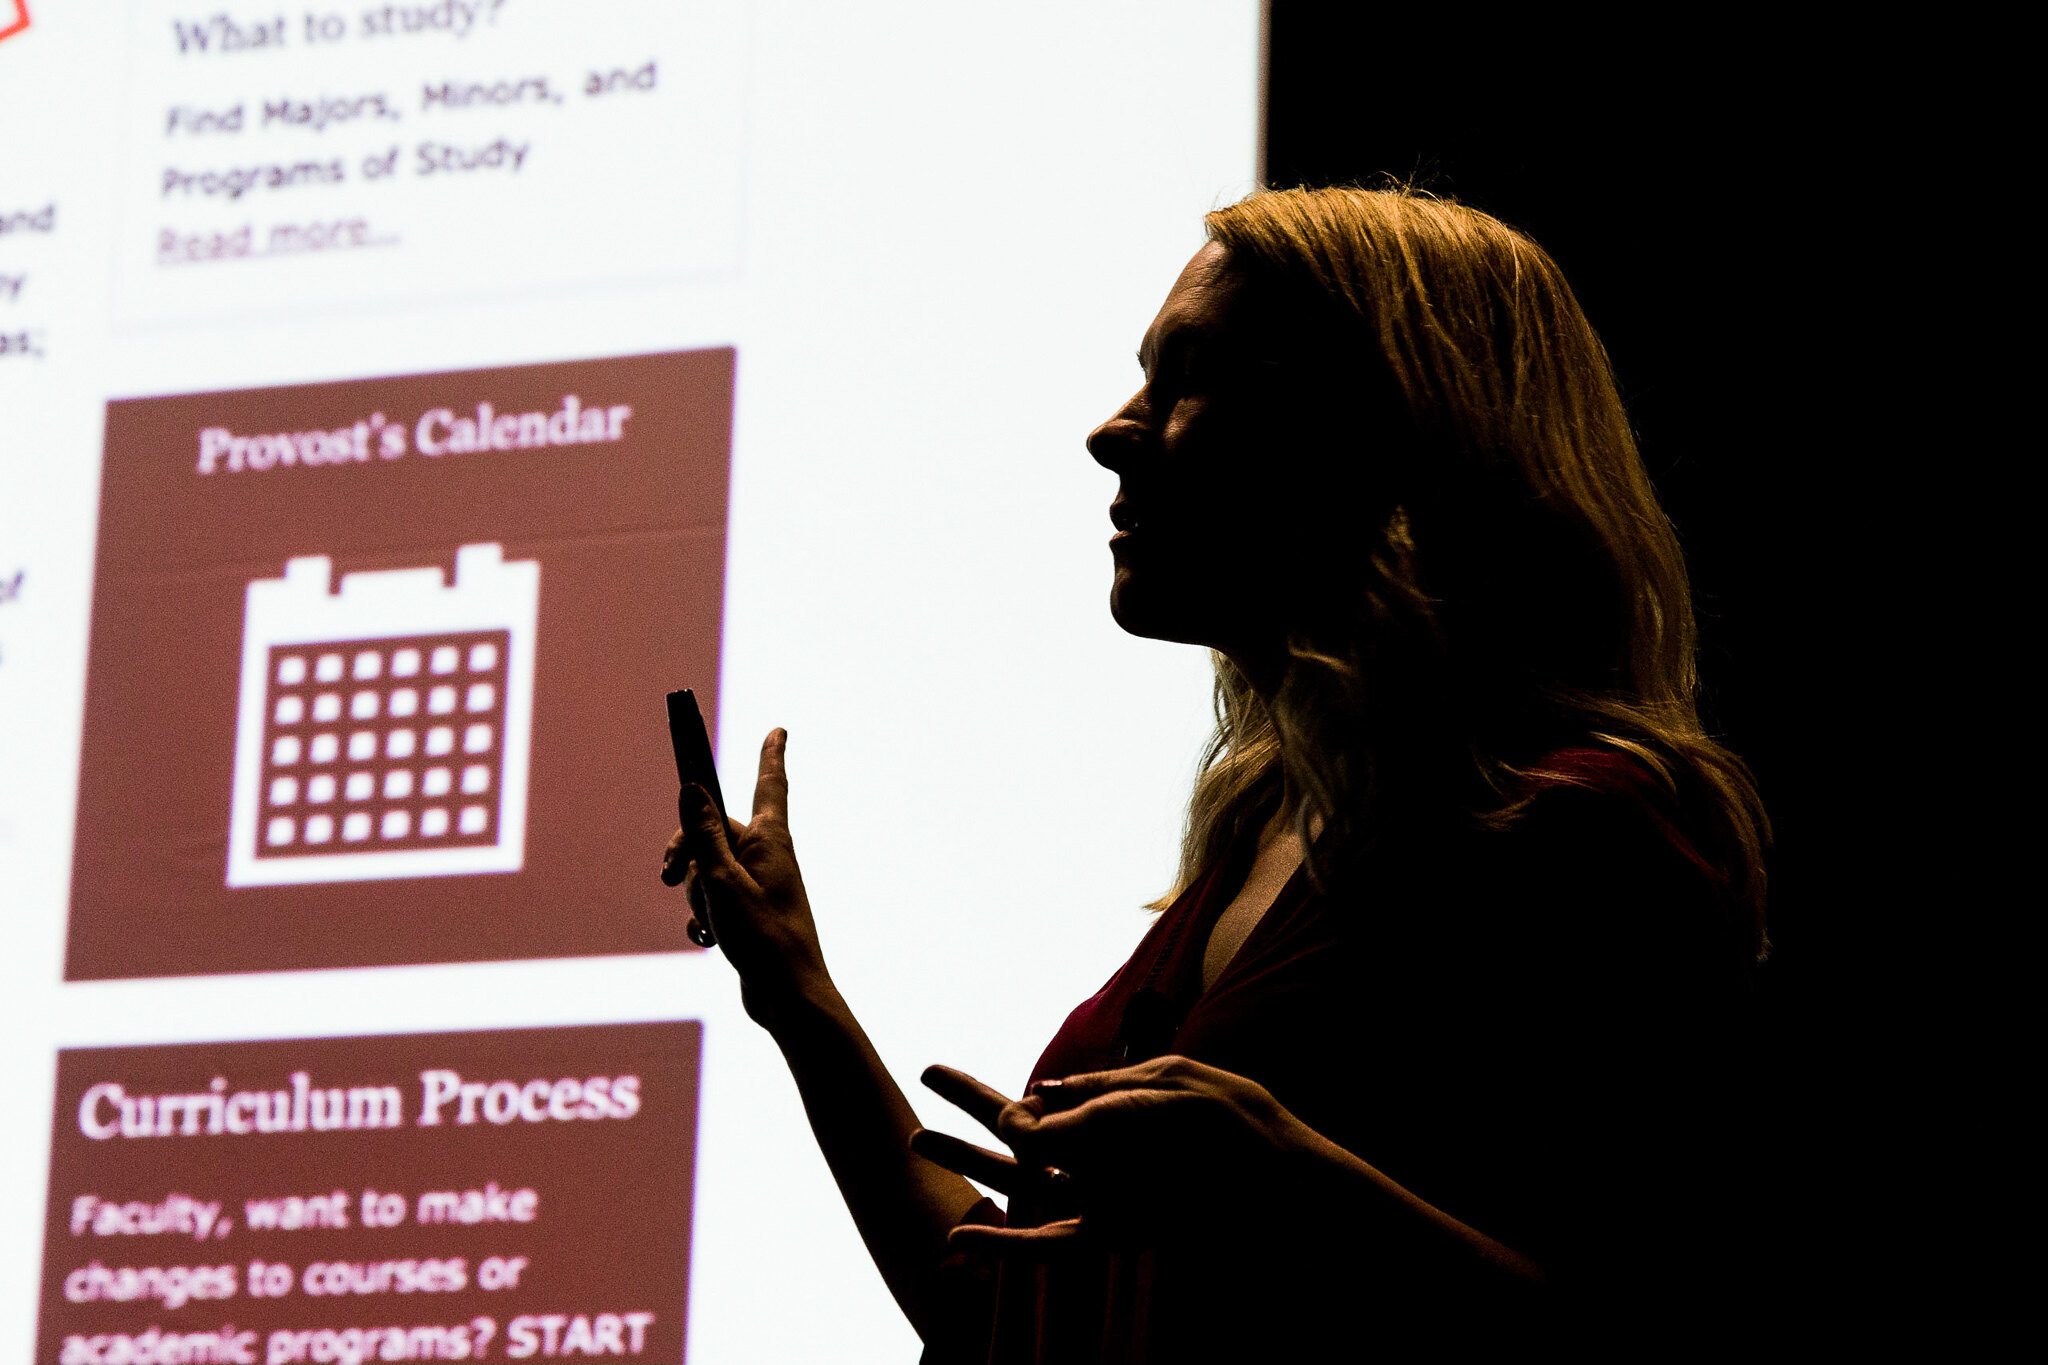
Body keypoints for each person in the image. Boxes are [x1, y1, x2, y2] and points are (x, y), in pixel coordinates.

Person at [663, 186, 1770, 1360]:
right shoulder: (1259, 834)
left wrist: (1295, 1181)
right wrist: (798, 995)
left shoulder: (1582, 835)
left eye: (1185, 377)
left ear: (1371, 430)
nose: (1110, 430)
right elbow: (1010, 1317)